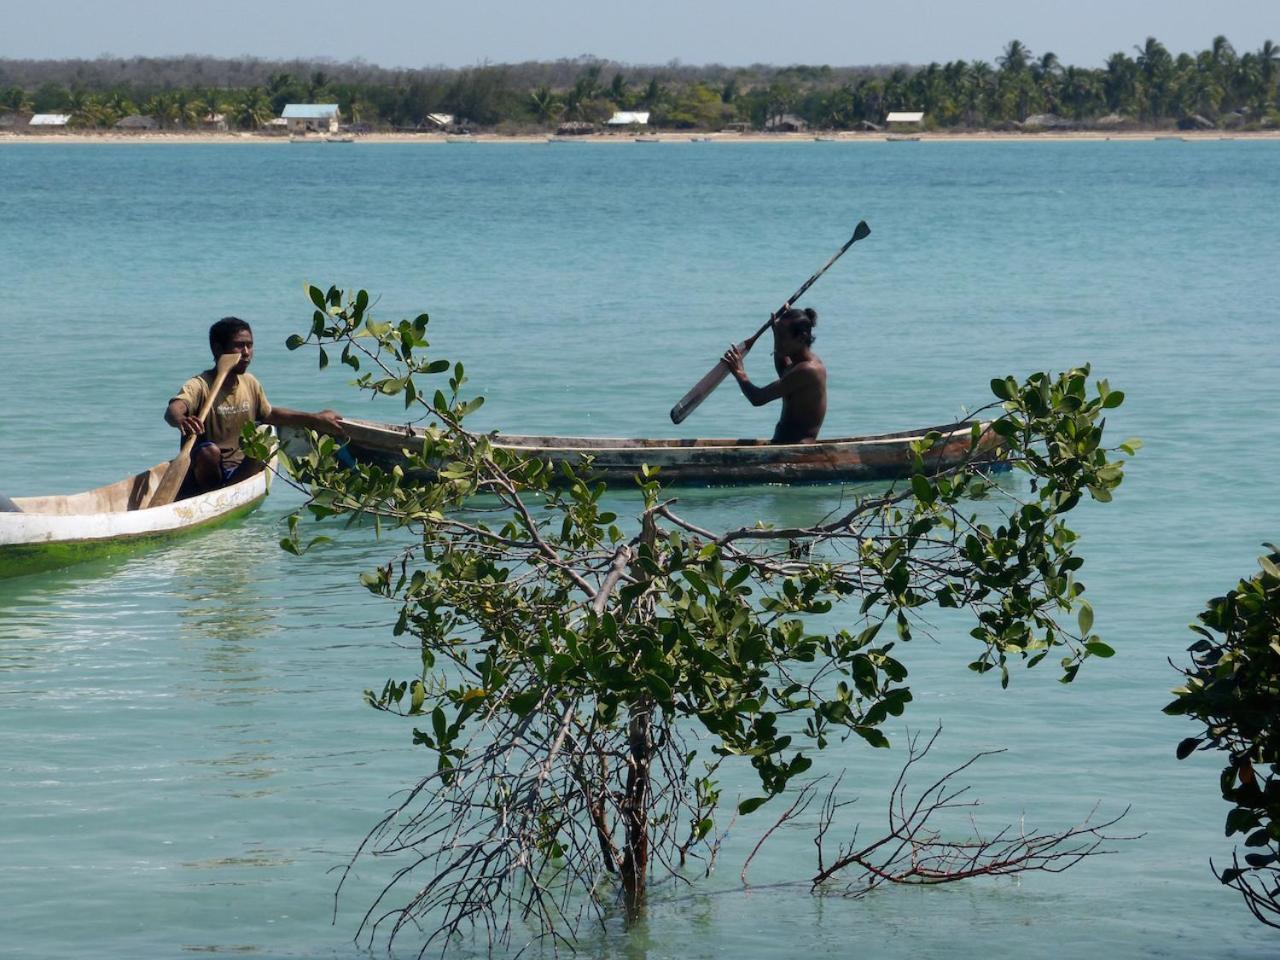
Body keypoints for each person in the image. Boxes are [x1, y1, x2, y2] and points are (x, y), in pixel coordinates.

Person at [166, 317, 344, 497]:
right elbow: (174, 409)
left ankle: (229, 494)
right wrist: (181, 419)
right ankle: (210, 498)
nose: (246, 352)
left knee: (265, 435)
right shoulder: (200, 385)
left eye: (249, 346)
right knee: (208, 452)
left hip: (241, 471)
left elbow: (269, 415)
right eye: (239, 345)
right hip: (205, 475)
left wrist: (315, 419)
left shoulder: (250, 383)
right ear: (218, 349)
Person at [722, 306, 827, 444]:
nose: (778, 343)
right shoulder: (797, 365)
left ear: (802, 337)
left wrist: (739, 372)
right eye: (778, 335)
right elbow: (783, 369)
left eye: (783, 336)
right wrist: (775, 331)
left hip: (796, 452)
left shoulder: (808, 370)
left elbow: (758, 398)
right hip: (783, 445)